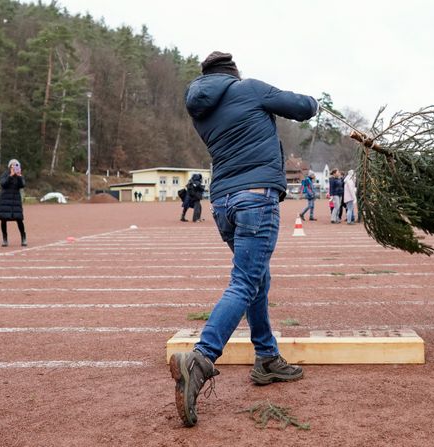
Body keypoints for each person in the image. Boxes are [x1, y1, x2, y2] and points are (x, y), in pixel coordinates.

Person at [170, 51, 318, 428]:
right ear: (232, 73)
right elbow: (300, 108)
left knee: (257, 279)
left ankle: (267, 357)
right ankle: (200, 359)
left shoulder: (199, 110)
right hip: (256, 198)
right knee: (246, 282)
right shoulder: (248, 89)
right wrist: (318, 101)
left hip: (222, 203)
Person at [0, 159, 27, 247]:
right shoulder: (5, 174)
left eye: (17, 165)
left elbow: (22, 185)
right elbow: (3, 184)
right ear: (10, 166)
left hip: (15, 200)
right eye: (13, 165)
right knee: (3, 219)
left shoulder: (19, 176)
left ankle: (23, 237)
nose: (15, 167)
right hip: (5, 200)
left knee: (19, 219)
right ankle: (5, 239)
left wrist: (19, 176)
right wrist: (10, 175)